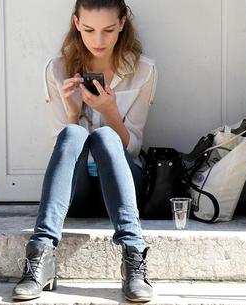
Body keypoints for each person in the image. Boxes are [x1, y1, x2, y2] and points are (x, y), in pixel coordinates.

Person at [12, 0, 157, 302]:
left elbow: (134, 146)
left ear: (122, 23)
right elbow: (62, 147)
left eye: (108, 30)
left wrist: (111, 112)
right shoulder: (57, 69)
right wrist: (73, 112)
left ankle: (133, 257)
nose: (99, 40)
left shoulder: (143, 71)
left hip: (124, 188)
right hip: (76, 193)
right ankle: (40, 258)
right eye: (89, 30)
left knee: (106, 137)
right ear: (76, 23)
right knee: (73, 132)